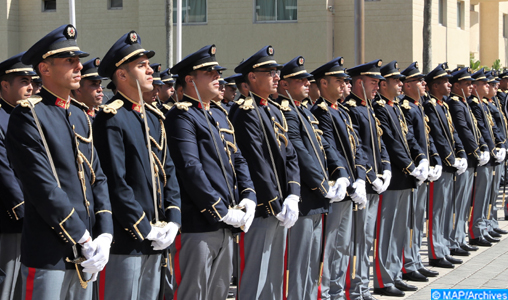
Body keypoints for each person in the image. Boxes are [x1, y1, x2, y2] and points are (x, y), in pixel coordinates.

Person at [6, 24, 113, 300]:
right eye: (69, 61)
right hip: (49, 253)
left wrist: (105, 234)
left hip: (87, 254)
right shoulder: (28, 116)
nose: (79, 66)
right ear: (44, 69)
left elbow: (97, 178)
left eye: (78, 60)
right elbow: (43, 187)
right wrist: (83, 237)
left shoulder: (79, 115)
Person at [93, 30, 181, 300]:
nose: (150, 71)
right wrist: (145, 228)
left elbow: (169, 171)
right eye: (141, 66)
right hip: (127, 239)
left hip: (157, 236)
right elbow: (116, 183)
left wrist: (173, 220)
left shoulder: (154, 117)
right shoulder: (111, 118)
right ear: (121, 75)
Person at [276, 56, 350, 300]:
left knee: (311, 261)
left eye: (308, 79)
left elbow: (325, 147)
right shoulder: (286, 112)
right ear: (285, 85)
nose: (307, 83)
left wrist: (338, 173)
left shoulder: (305, 112)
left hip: (318, 197)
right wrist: (320, 183)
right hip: (306, 196)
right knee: (299, 261)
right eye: (300, 79)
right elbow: (298, 149)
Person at [230, 45, 301, 300]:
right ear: (252, 77)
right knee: (256, 275)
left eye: (276, 71)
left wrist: (293, 194)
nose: (276, 77)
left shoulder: (273, 109)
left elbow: (290, 154)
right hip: (263, 205)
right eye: (269, 72)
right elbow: (255, 161)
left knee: (274, 274)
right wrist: (274, 201)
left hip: (281, 202)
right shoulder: (244, 112)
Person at [310, 56, 368, 300]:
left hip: (350, 188)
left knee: (343, 245)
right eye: (338, 80)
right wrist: (343, 175)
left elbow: (358, 147)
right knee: (330, 245)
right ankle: (325, 293)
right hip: (336, 188)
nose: (344, 84)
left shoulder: (341, 111)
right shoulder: (320, 112)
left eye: (345, 80)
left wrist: (361, 177)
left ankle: (336, 291)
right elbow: (329, 147)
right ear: (324, 84)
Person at [371, 61, 427, 296]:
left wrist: (421, 158)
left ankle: (394, 273)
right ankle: (383, 279)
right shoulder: (380, 108)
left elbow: (408, 137)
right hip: (393, 178)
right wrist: (409, 165)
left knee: (398, 230)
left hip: (405, 178)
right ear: (383, 84)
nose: (401, 84)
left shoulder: (395, 107)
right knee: (387, 230)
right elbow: (392, 143)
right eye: (396, 81)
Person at [399, 62, 443, 280]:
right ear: (407, 85)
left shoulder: (418, 106)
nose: (424, 84)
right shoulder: (406, 108)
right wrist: (420, 161)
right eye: (419, 80)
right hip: (413, 172)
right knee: (409, 221)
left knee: (418, 219)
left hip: (424, 170)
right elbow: (409, 139)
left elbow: (427, 137)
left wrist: (434, 160)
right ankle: (407, 263)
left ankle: (415, 259)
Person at [424, 63, 467, 268]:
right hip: (441, 165)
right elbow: (438, 136)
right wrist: (450, 159)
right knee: (437, 210)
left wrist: (460, 153)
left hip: (450, 165)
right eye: (445, 82)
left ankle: (443, 247)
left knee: (446, 208)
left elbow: (452, 133)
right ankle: (436, 251)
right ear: (434, 87)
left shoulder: (443, 105)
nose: (449, 85)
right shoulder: (431, 106)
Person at [0, 52, 35, 300]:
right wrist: (24, 210)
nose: (30, 87)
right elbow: (3, 170)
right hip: (12, 217)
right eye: (23, 81)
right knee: (9, 285)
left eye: (31, 81)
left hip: (35, 216)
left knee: (25, 285)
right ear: (4, 85)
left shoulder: (29, 116)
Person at [468, 68, 505, 247]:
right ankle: (477, 230)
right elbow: (481, 130)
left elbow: (493, 129)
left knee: (490, 193)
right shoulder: (475, 104)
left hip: (492, 155)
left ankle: (485, 226)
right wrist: (490, 148)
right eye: (485, 83)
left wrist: (501, 145)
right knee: (481, 195)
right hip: (482, 157)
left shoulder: (484, 104)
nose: (490, 86)